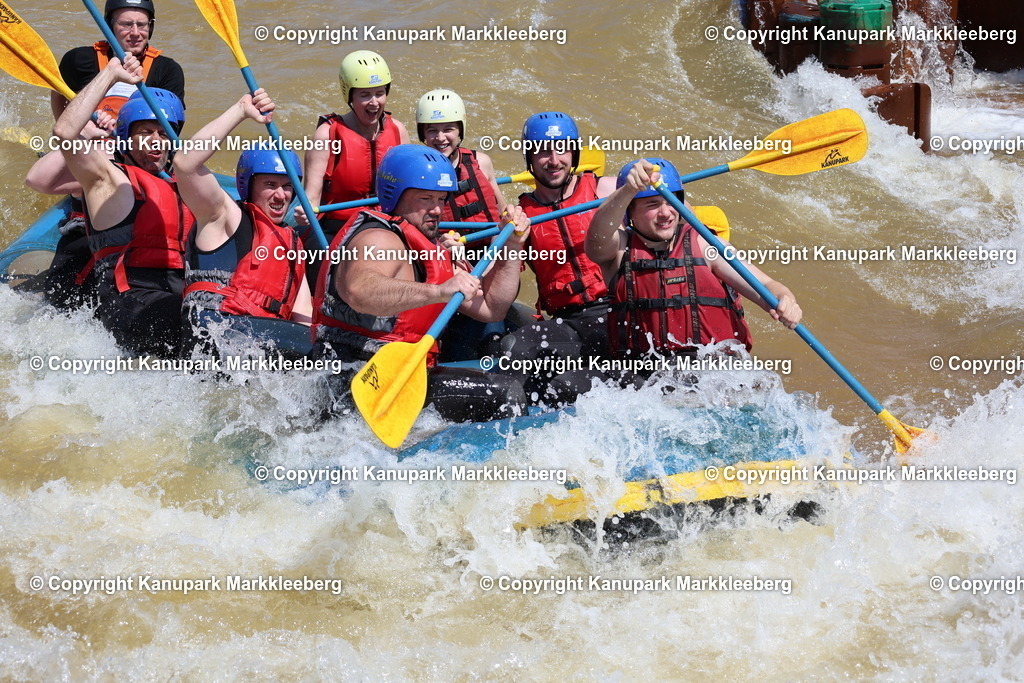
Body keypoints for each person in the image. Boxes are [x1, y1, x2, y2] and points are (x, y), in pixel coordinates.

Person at [312, 144, 529, 423]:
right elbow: (358, 290)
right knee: (504, 394)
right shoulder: (378, 239)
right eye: (426, 199)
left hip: (402, 376)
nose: (437, 209)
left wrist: (513, 246)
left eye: (441, 199)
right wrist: (438, 291)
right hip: (356, 375)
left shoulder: (431, 248)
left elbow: (491, 308)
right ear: (394, 196)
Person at [554, 158, 801, 400]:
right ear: (629, 213)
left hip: (715, 371)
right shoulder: (618, 250)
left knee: (762, 384)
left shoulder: (706, 245)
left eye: (670, 202)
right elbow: (596, 238)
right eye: (652, 205)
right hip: (646, 374)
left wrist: (785, 299)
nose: (665, 213)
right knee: (565, 385)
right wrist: (627, 190)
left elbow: (766, 287)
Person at [53, 53, 191, 357]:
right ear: (126, 139)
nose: (155, 141)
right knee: (201, 326)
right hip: (130, 303)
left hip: (175, 297)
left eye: (162, 132)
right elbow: (65, 133)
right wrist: (111, 74)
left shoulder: (186, 189)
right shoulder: (108, 178)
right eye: (145, 132)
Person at [173, 89, 313, 359]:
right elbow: (185, 163)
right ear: (248, 186)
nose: (280, 194)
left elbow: (302, 317)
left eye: (287, 187)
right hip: (214, 329)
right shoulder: (225, 215)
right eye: (270, 185)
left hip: (259, 343)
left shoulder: (293, 244)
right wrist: (240, 110)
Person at [498, 111, 617, 404]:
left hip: (619, 314)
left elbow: (670, 211)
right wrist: (510, 243)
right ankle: (510, 423)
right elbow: (501, 296)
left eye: (562, 149)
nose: (554, 160)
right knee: (514, 348)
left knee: (566, 386)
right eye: (543, 152)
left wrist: (643, 184)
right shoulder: (521, 217)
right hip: (570, 324)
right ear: (529, 158)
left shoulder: (606, 190)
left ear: (574, 154)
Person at [301, 49, 410, 288]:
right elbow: (311, 197)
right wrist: (304, 210)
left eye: (380, 93)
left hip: (386, 225)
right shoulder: (327, 135)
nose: (374, 102)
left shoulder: (398, 131)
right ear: (349, 96)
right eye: (365, 95)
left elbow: (410, 192)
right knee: (316, 266)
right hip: (337, 228)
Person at [53, 0, 185, 125]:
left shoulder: (168, 70)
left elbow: (173, 121)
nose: (135, 33)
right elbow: (58, 93)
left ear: (150, 27)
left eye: (141, 25)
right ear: (110, 26)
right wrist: (70, 135)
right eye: (126, 24)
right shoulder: (79, 59)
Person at [415, 89, 505, 224]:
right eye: (432, 130)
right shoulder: (417, 173)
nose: (440, 138)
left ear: (460, 132)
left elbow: (502, 210)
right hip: (447, 243)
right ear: (423, 135)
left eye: (448, 129)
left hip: (493, 240)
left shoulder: (481, 162)